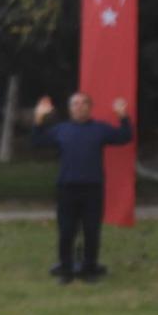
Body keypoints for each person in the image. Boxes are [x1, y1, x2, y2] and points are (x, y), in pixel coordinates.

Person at [31, 92, 135, 282]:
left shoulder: (99, 129)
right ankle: (66, 269)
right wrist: (38, 118)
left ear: (89, 107)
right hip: (67, 188)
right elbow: (37, 141)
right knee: (66, 231)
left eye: (83, 103)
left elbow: (125, 136)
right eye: (75, 104)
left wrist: (123, 116)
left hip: (92, 188)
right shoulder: (61, 129)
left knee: (91, 231)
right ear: (70, 109)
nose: (79, 107)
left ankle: (89, 269)